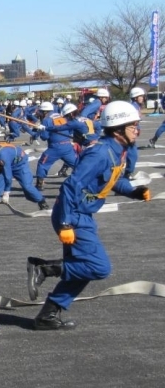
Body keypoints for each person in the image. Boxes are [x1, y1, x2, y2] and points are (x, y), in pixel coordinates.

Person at [26, 101, 149, 330]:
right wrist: (65, 223)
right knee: (99, 267)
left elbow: (114, 180)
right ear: (119, 128)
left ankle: (47, 316)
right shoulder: (101, 152)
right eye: (133, 126)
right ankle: (44, 268)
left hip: (81, 215)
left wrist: (133, 191)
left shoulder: (117, 150)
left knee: (80, 270)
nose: (137, 130)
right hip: (73, 215)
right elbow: (72, 185)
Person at [0, 143, 50, 219]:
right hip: (1, 165)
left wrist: (6, 193)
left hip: (19, 163)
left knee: (27, 187)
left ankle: (42, 202)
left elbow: (8, 176)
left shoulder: (1, 155)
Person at [34, 101, 77, 190]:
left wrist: (41, 130)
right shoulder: (62, 117)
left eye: (41, 112)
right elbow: (70, 131)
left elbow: (44, 137)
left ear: (44, 111)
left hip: (55, 147)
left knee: (42, 164)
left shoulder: (46, 120)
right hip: (67, 146)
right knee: (78, 164)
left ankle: (39, 184)